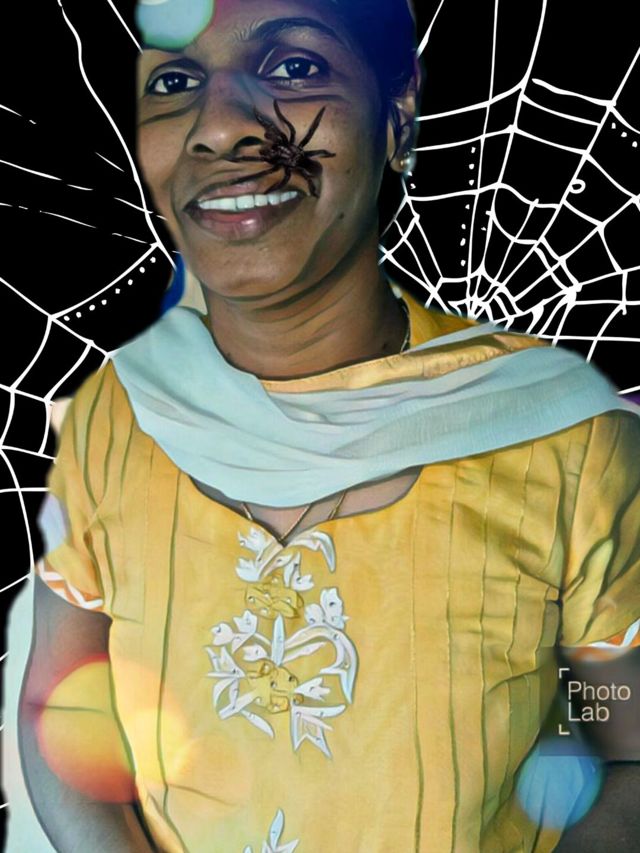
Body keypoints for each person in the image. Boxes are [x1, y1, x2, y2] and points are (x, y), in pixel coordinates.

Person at [14, 0, 640, 850]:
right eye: (174, 80)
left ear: (397, 118)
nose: (220, 126)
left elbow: (628, 747)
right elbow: (59, 705)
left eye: (296, 67)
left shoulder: (570, 444)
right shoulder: (115, 420)